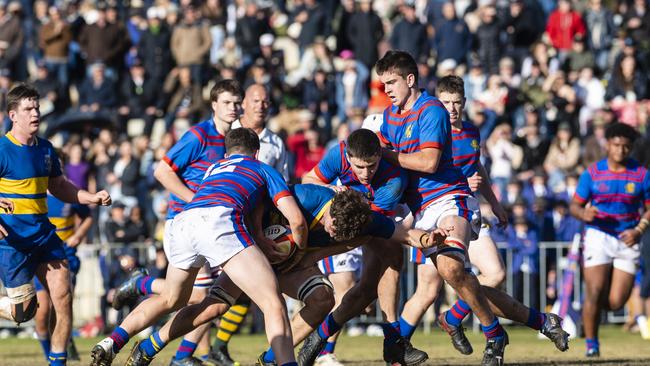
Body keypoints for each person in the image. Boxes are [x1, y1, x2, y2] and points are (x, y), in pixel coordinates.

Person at [111, 183, 447, 366]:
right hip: (257, 251)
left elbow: (404, 234)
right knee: (212, 306)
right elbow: (259, 200)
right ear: (329, 213)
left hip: (292, 264)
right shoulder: (308, 196)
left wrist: (429, 239)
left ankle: (270, 359)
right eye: (332, 230)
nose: (335, 236)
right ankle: (149, 348)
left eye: (342, 237)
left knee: (323, 298)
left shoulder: (366, 219)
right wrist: (259, 237)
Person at [91, 80, 243, 366]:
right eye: (227, 102)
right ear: (213, 105)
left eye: (237, 102)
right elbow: (162, 171)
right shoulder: (198, 135)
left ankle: (116, 338)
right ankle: (175, 354)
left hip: (211, 225)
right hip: (189, 223)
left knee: (181, 297)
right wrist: (197, 199)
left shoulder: (236, 140)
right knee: (209, 297)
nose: (233, 108)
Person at [0, 84, 111, 366]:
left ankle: (58, 362)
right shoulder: (2, 149)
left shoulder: (47, 149)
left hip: (44, 235)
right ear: (13, 115)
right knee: (24, 312)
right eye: (28, 109)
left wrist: (91, 197)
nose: (35, 112)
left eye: (36, 107)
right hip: (12, 241)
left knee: (63, 295)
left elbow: (60, 186)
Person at [300, 128, 418, 366]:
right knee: (391, 262)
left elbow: (371, 224)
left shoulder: (393, 180)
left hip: (365, 224)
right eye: (359, 167)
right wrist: (332, 191)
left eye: (372, 166)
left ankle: (319, 339)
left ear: (380, 155)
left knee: (367, 289)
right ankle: (392, 343)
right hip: (337, 226)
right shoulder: (338, 154)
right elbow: (308, 179)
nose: (365, 174)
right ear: (348, 156)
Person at [208, 83, 290, 365]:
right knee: (209, 294)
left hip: (260, 224)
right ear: (244, 103)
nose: (261, 105)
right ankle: (187, 352)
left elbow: (282, 184)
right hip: (226, 223)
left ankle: (216, 347)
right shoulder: (226, 134)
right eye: (256, 100)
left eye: (266, 100)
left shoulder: (276, 142)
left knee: (238, 292)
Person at [570, 122, 650, 357]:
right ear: (608, 145)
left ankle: (589, 313)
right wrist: (583, 213)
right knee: (594, 291)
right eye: (616, 145)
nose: (621, 151)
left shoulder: (641, 174)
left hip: (628, 238)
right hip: (599, 235)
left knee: (615, 302)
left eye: (626, 147)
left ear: (631, 147)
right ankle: (592, 344)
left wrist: (640, 229)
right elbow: (575, 205)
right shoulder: (593, 173)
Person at [34, 193, 93, 362]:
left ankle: (60, 349)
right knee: (42, 311)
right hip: (43, 255)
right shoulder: (35, 191)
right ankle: (50, 353)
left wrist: (78, 235)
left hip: (66, 255)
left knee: (61, 305)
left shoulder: (69, 192)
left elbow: (88, 216)